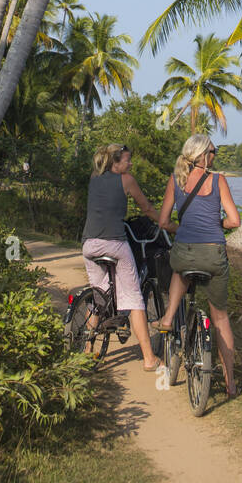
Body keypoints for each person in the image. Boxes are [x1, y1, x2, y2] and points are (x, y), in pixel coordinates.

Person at [156, 134, 241, 398]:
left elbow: (163, 222)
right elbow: (235, 221)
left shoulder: (175, 180)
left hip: (185, 251)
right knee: (221, 318)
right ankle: (230, 385)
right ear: (203, 156)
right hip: (214, 255)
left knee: (180, 267)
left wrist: (181, 228)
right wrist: (217, 225)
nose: (215, 156)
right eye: (213, 152)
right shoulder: (218, 180)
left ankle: (169, 316)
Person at [81, 143, 162, 371]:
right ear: (116, 163)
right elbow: (146, 208)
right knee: (134, 298)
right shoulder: (126, 179)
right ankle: (149, 358)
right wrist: (166, 223)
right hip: (114, 243)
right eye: (127, 160)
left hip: (89, 245)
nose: (131, 163)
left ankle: (87, 350)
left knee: (98, 295)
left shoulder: (94, 177)